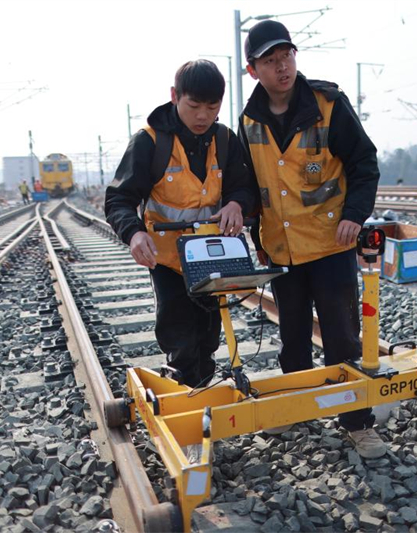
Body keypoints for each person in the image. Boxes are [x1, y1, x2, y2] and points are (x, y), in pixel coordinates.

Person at [238, 20, 386, 459]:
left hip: (329, 245)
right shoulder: (248, 122)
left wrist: (355, 217)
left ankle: (357, 423)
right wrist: (251, 232)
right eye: (270, 60)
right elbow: (249, 186)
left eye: (286, 56)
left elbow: (364, 162)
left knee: (342, 337)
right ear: (253, 70)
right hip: (281, 251)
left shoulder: (329, 105)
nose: (282, 67)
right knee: (294, 339)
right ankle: (295, 414)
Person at [105, 60, 254, 389]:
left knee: (208, 336)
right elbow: (118, 199)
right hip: (169, 261)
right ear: (175, 96)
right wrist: (134, 233)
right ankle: (185, 396)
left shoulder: (225, 141)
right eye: (194, 105)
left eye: (212, 107)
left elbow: (243, 187)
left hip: (213, 258)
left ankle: (202, 394)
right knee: (180, 336)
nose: (203, 116)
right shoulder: (150, 142)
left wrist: (236, 204)